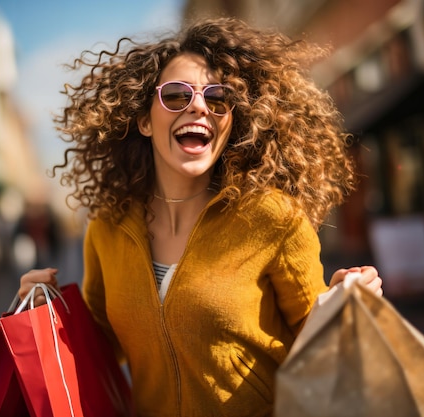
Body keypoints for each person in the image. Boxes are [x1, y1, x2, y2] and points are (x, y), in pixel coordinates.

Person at [19, 17, 383, 417]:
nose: (199, 106)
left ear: (230, 122)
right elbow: (103, 345)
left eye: (218, 98)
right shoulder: (108, 226)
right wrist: (45, 315)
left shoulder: (272, 217)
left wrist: (341, 305)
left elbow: (314, 345)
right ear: (144, 120)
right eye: (176, 95)